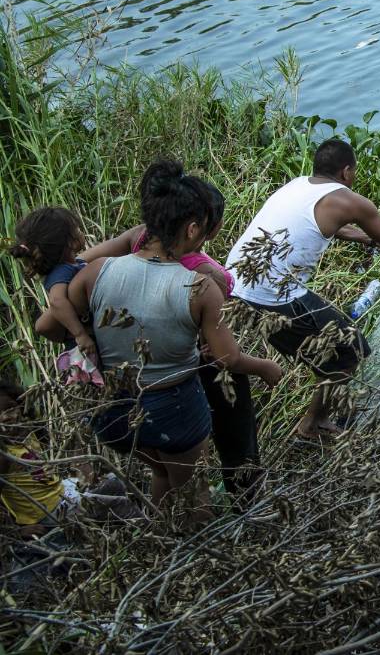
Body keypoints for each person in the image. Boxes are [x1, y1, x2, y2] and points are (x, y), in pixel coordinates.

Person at [68, 161, 282, 524]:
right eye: (203, 233)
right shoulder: (200, 286)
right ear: (192, 227)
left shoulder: (96, 270)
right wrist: (266, 367)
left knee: (163, 474)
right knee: (191, 492)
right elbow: (226, 358)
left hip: (112, 414)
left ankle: (158, 537)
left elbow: (52, 321)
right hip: (173, 409)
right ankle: (197, 554)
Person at [224, 139, 380, 440]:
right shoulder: (350, 200)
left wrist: (367, 239)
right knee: (351, 350)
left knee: (330, 344)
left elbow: (335, 227)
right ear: (346, 171)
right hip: (272, 296)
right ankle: (312, 425)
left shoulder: (298, 185)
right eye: (354, 172)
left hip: (234, 286)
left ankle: (324, 397)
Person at [9, 208, 97, 360]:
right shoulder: (62, 271)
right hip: (83, 345)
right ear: (69, 241)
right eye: (77, 229)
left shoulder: (74, 265)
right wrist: (80, 334)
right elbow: (57, 301)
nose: (81, 232)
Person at [0, 380, 77, 538]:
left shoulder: (29, 430)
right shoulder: (3, 454)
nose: (6, 417)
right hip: (46, 511)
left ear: (21, 406)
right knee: (117, 498)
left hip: (61, 490)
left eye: (10, 408)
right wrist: (16, 531)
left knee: (110, 481)